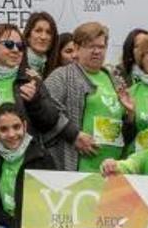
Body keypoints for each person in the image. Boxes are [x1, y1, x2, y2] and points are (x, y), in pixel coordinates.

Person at [44, 22, 135, 172]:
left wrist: (130, 115)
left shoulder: (114, 79)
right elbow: (45, 111)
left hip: (111, 172)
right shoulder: (62, 76)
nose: (96, 51)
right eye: (90, 46)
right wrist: (74, 135)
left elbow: (126, 134)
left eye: (101, 47)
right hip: (76, 172)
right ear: (77, 48)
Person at [0, 23, 68, 147]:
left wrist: (35, 103)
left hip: (25, 160)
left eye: (20, 46)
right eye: (9, 44)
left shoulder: (32, 81)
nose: (16, 50)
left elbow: (50, 123)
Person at [22, 11, 61, 78]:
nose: (43, 37)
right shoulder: (16, 64)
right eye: (38, 31)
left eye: (48, 32)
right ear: (28, 36)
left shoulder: (57, 69)